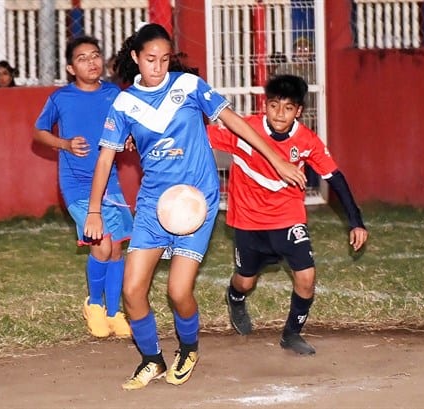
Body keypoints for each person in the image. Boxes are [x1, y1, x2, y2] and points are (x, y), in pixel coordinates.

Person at [83, 23, 306, 390]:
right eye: (150, 59)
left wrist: (277, 159)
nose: (157, 66)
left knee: (178, 292)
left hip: (195, 202)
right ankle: (151, 359)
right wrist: (94, 211)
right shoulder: (123, 104)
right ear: (136, 58)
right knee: (132, 289)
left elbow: (235, 123)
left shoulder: (188, 87)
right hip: (155, 204)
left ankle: (188, 349)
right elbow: (105, 159)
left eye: (165, 59)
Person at [207, 74, 369, 355]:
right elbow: (198, 136)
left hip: (287, 217)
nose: (280, 113)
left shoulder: (306, 141)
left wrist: (356, 221)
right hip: (248, 220)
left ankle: (292, 334)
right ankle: (235, 298)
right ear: (264, 105)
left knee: (306, 276)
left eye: (288, 107)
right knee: (245, 281)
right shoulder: (245, 129)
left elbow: (335, 177)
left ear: (299, 111)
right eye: (273, 105)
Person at [33, 36, 133, 340]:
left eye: (95, 56)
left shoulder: (114, 94)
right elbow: (38, 133)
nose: (91, 62)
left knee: (116, 247)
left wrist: (129, 139)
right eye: (82, 58)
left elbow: (126, 127)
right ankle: (94, 306)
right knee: (101, 244)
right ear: (70, 67)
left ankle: (115, 313)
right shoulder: (61, 98)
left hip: (110, 183)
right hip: (77, 185)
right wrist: (63, 143)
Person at [271, 37, 320, 194]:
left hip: (310, 116)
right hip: (289, 118)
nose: (303, 52)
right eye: (299, 49)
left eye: (306, 49)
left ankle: (312, 185)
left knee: (310, 152)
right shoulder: (286, 68)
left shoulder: (314, 69)